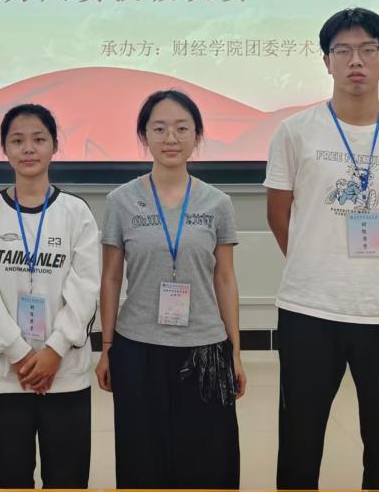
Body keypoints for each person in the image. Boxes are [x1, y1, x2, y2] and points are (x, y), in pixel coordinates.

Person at [265, 8, 379, 490]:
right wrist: (316, 258)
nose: (355, 61)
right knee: (299, 439)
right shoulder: (295, 131)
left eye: (367, 49)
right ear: (327, 61)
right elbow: (279, 214)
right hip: (308, 308)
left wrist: (372, 263)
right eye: (342, 50)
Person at [96, 89, 244, 489]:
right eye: (159, 129)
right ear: (144, 135)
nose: (171, 138)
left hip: (205, 347)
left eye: (182, 128)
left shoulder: (218, 203)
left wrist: (235, 351)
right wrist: (107, 348)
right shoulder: (121, 201)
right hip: (138, 347)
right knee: (144, 458)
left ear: (197, 135)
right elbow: (110, 278)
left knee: (208, 460)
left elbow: (225, 278)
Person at [0, 104, 100, 489]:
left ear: (54, 145)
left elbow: (86, 287)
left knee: (68, 479)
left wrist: (54, 350)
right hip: (7, 374)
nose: (28, 149)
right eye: (17, 141)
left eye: (39, 139)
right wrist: (19, 353)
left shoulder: (75, 212)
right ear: (5, 149)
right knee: (12, 478)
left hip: (65, 373)